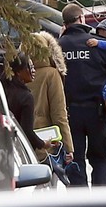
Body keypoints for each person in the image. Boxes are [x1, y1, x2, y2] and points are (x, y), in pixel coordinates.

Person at [58, 3, 106, 187]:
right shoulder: (97, 43)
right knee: (101, 160)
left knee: (75, 162)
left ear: (64, 23)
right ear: (81, 19)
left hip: (69, 114)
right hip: (99, 113)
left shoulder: (57, 46)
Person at [26, 31, 74, 164]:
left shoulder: (18, 73)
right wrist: (68, 146)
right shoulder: (51, 74)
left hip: (22, 141)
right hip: (47, 140)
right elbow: (59, 113)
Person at [2, 51, 53, 151]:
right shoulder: (26, 97)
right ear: (18, 72)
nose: (33, 71)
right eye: (29, 67)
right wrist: (43, 144)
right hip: (17, 149)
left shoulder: (2, 89)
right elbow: (27, 131)